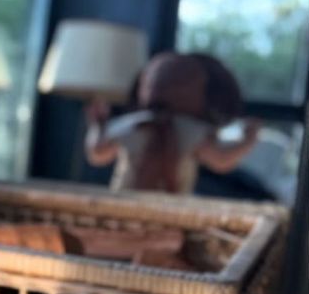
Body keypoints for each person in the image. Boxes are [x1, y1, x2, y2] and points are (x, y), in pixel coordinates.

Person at [84, 52, 259, 194]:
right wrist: (248, 140)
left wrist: (98, 127)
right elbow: (221, 159)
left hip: (154, 209)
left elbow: (98, 152)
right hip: (138, 208)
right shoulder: (133, 125)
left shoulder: (133, 126)